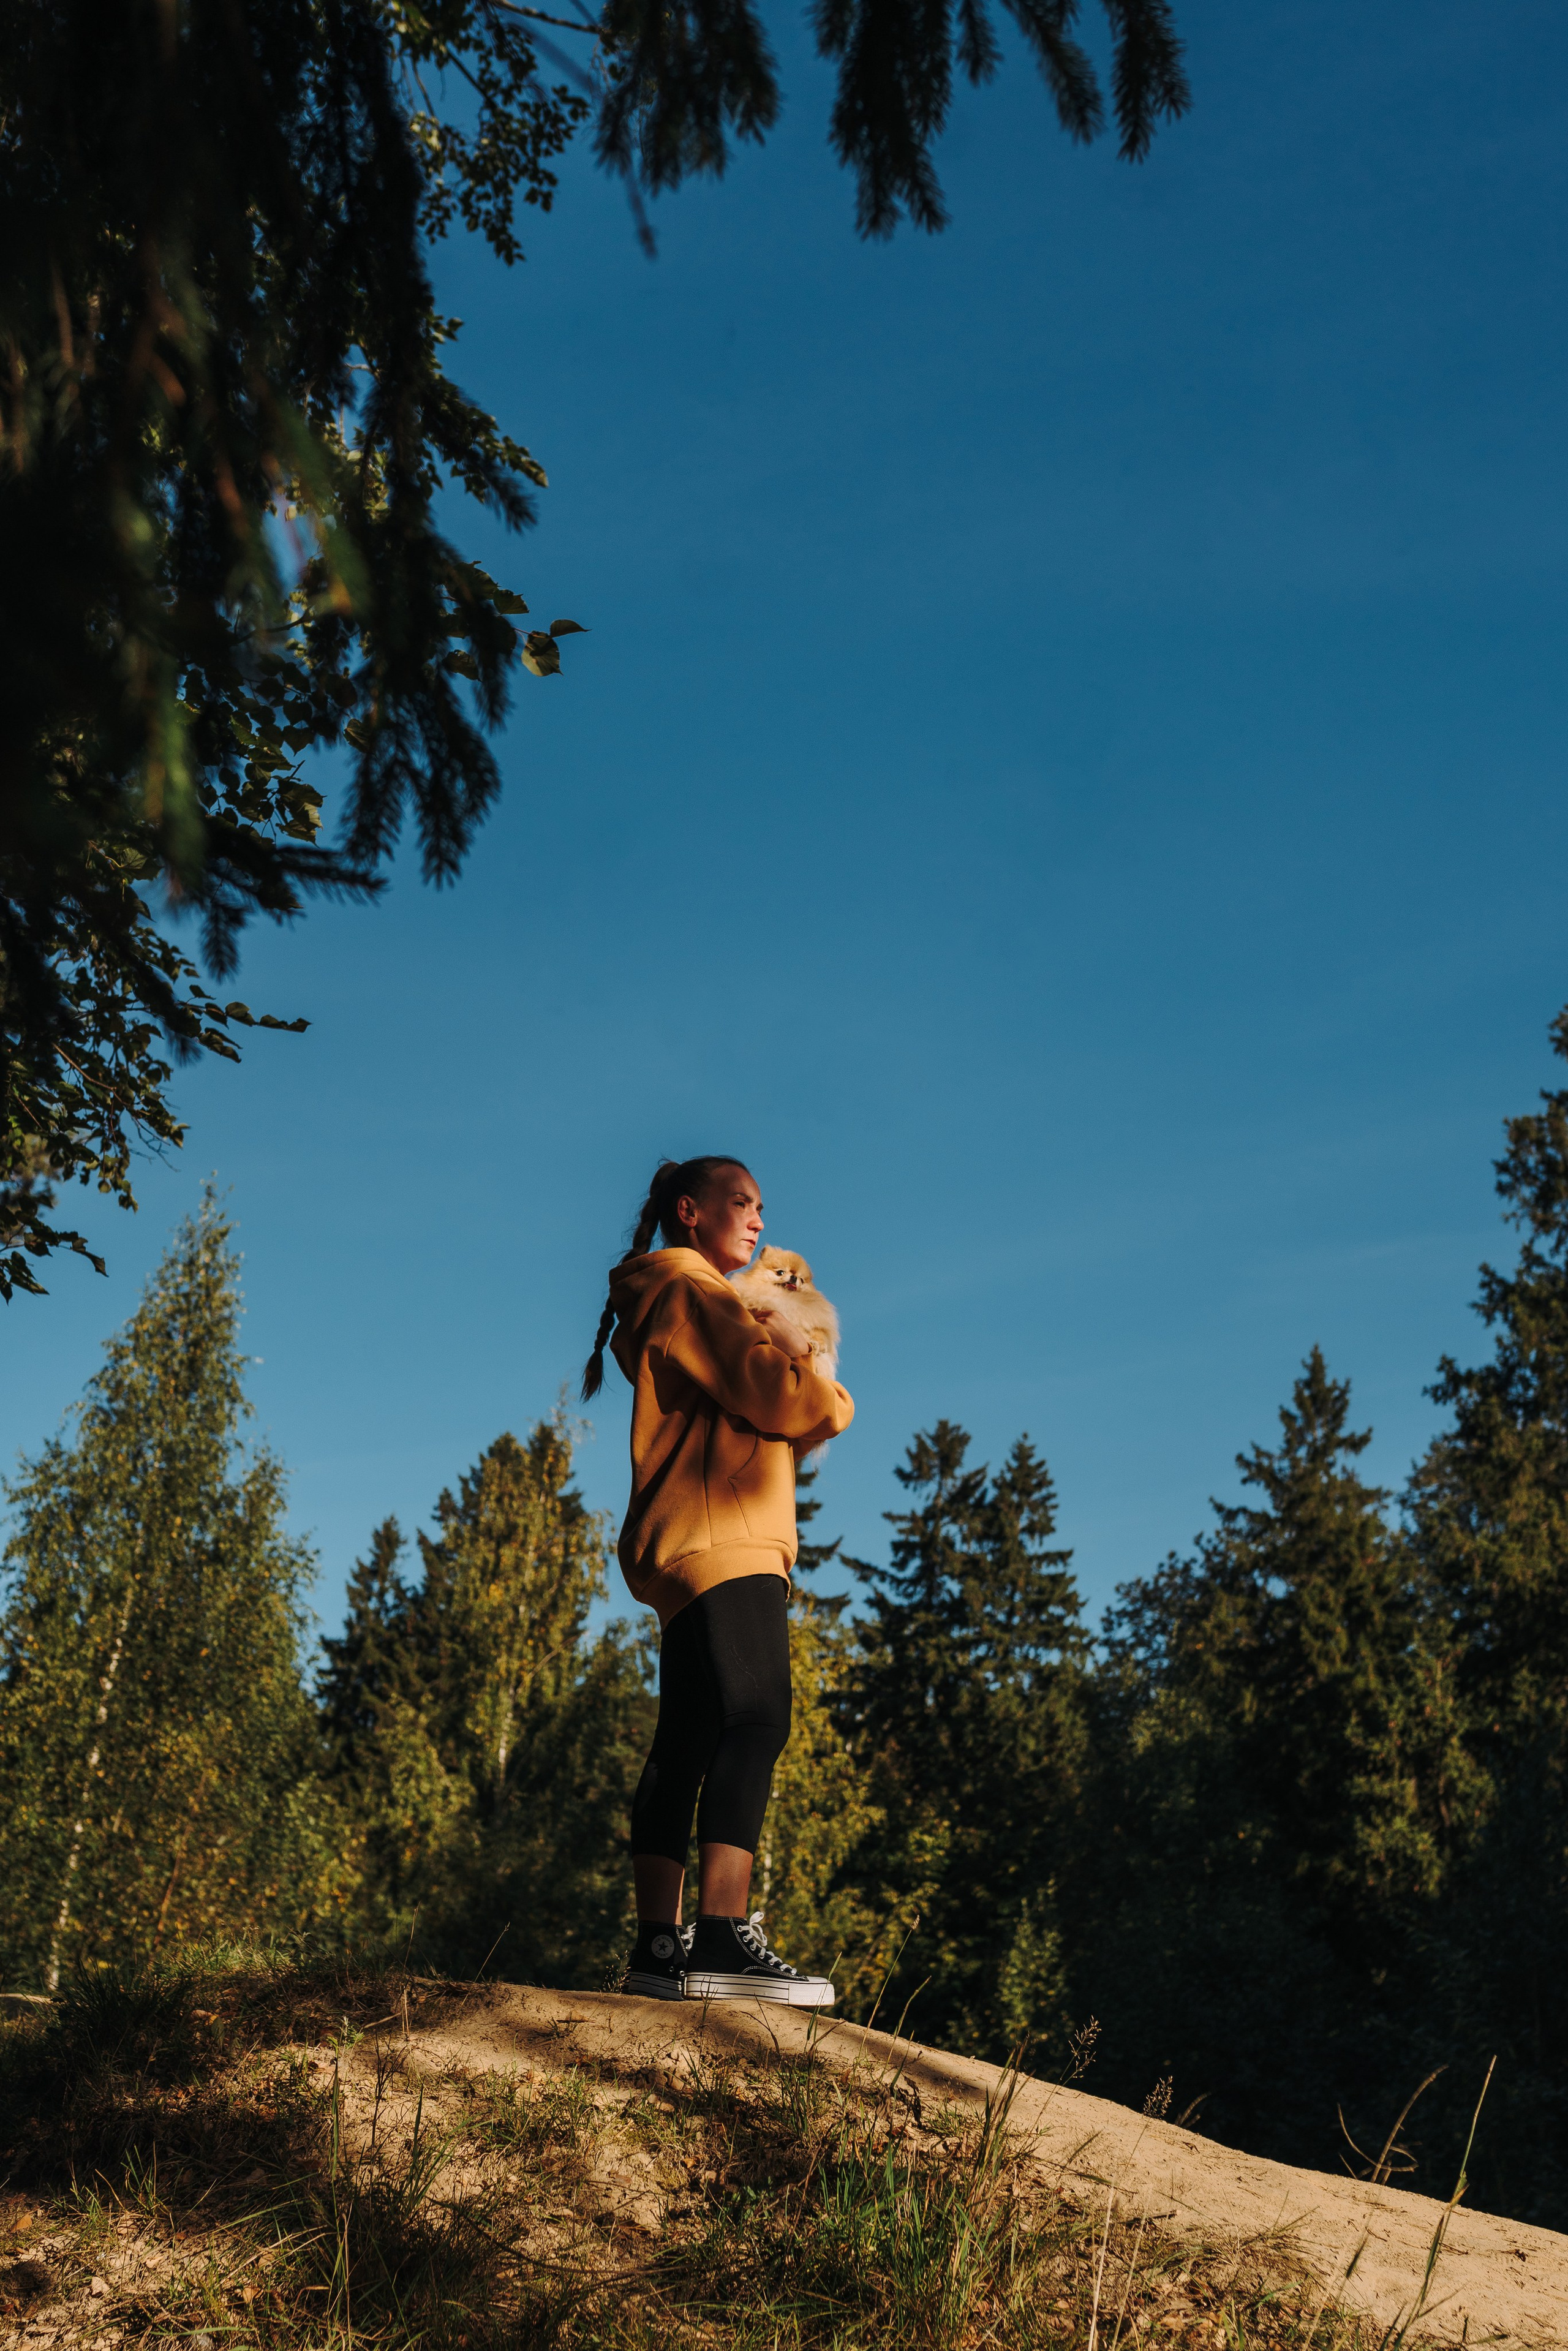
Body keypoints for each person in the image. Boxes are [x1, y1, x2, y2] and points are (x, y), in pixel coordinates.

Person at [582, 1155, 854, 2006]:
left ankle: (658, 1949)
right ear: (690, 1211)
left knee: (687, 1741)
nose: (758, 1220)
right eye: (742, 1203)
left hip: (684, 1544)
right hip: (728, 1534)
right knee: (759, 1718)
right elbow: (780, 1395)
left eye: (764, 1207)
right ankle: (725, 1940)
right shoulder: (692, 1290)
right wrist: (830, 1394)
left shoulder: (673, 1296)